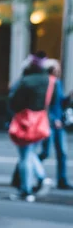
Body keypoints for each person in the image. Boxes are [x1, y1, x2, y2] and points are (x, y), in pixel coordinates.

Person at [8, 57, 54, 202]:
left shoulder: (25, 81)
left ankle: (26, 190)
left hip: (25, 121)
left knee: (25, 157)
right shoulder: (48, 80)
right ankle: (41, 178)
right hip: (40, 121)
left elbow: (14, 101)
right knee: (31, 153)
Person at [38, 59, 72, 190]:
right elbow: (45, 104)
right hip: (50, 123)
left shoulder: (58, 83)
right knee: (45, 152)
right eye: (56, 67)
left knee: (62, 153)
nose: (59, 69)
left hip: (58, 124)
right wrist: (53, 119)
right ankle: (27, 172)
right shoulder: (48, 82)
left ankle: (62, 180)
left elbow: (60, 103)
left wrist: (69, 98)